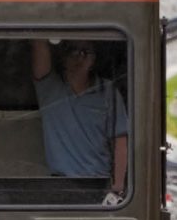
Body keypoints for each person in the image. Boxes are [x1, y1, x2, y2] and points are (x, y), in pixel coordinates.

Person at [31, 39, 128, 203]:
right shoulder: (49, 88)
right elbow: (38, 41)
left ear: (94, 59)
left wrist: (117, 187)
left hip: (99, 183)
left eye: (86, 52)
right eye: (73, 51)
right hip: (59, 185)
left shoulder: (107, 91)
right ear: (63, 56)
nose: (79, 58)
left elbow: (119, 140)